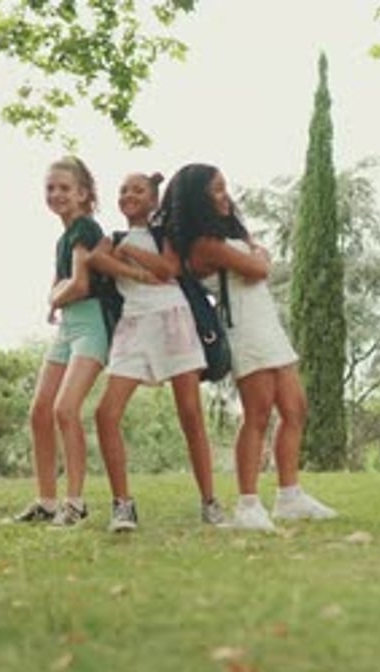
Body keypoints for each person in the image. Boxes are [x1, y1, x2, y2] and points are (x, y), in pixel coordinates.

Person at [158, 163, 337, 531]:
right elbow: (259, 269)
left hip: (266, 324)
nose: (226, 196)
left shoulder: (223, 234)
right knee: (257, 412)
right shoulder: (204, 245)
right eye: (217, 191)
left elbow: (256, 259)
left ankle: (290, 496)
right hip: (245, 329)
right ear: (198, 200)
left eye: (225, 188)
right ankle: (248, 504)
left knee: (294, 407)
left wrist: (256, 253)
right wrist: (259, 254)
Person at [89, 171, 225, 532]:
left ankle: (210, 501)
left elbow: (168, 269)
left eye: (138, 189)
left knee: (190, 413)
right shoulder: (111, 238)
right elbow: (96, 261)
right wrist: (132, 273)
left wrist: (132, 253)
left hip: (173, 319)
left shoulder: (165, 234)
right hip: (133, 325)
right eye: (122, 189)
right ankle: (123, 505)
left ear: (153, 201)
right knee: (106, 413)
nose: (129, 194)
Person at [15, 156, 108, 526]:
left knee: (65, 410)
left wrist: (54, 299)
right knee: (40, 411)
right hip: (68, 327)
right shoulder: (64, 237)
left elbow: (80, 285)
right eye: (50, 188)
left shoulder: (86, 227)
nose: (56, 194)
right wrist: (57, 297)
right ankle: (47, 502)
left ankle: (76, 504)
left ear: (84, 194)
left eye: (65, 188)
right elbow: (60, 281)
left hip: (92, 326)